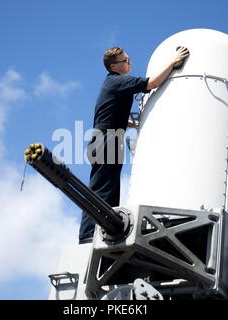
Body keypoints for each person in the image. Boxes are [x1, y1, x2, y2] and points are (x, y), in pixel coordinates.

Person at [79, 46, 189, 244]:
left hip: (107, 136)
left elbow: (111, 114)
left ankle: (101, 231)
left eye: (128, 59)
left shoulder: (112, 84)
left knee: (109, 190)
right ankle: (88, 236)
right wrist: (173, 61)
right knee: (102, 190)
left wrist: (133, 123)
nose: (129, 62)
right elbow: (152, 83)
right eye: (125, 60)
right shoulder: (118, 81)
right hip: (107, 138)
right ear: (114, 66)